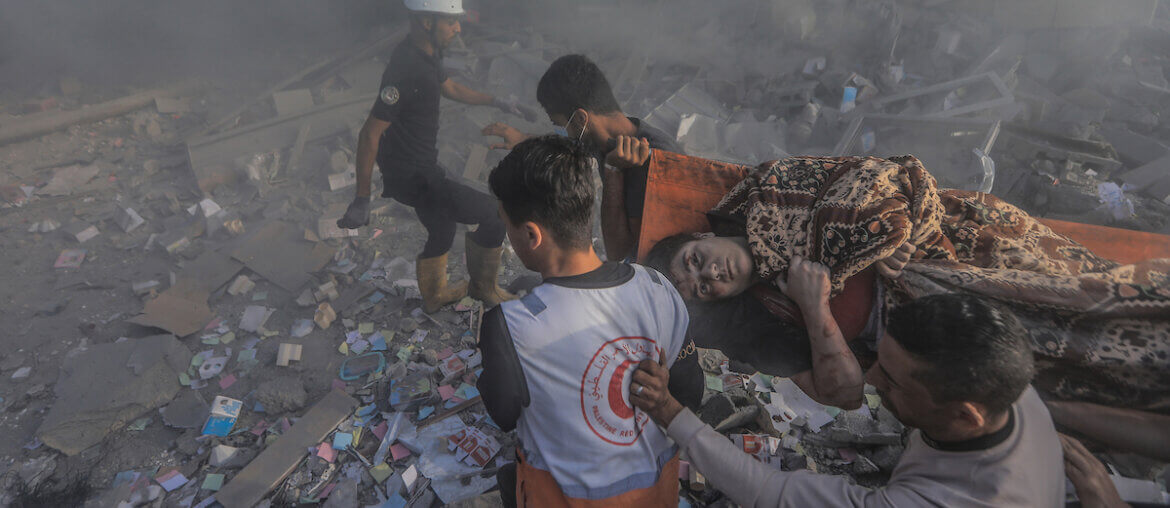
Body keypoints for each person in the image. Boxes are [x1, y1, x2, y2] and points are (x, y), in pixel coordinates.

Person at [643, 155, 1170, 415]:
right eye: (699, 290)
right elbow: (845, 394)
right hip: (932, 336)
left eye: (696, 261)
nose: (709, 276)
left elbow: (881, 173)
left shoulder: (769, 192)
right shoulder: (759, 319)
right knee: (1063, 368)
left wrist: (890, 232)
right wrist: (815, 308)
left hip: (957, 253)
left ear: (698, 235)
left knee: (1085, 294)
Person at [630, 293, 1066, 508]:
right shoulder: (1005, 388)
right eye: (879, 363)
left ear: (964, 415)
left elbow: (768, 491)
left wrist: (671, 413)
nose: (871, 381)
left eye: (893, 381)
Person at [476, 135, 702, 507]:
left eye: (507, 226)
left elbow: (503, 416)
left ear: (531, 234)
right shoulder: (657, 286)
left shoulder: (510, 326)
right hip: (657, 496)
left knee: (510, 472)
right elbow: (690, 394)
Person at [336, 0, 537, 313]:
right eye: (451, 22)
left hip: (422, 169)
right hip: (414, 177)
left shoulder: (426, 54)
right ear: (427, 22)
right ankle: (485, 290)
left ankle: (435, 295)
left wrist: (500, 102)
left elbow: (451, 87)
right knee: (494, 214)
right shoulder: (404, 69)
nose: (458, 29)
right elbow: (369, 133)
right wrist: (362, 197)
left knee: (442, 227)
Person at [481, 54, 682, 261]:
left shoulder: (652, 160)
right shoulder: (603, 138)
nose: (561, 132)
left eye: (559, 124)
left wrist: (613, 171)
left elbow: (620, 253)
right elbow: (572, 142)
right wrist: (523, 138)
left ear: (580, 118)